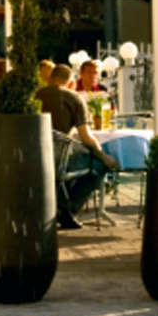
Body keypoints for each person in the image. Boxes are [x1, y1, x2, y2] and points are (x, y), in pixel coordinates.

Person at [35, 63, 118, 230]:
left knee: (64, 170)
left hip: (34, 154)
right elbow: (86, 137)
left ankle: (60, 207)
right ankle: (68, 210)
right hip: (59, 157)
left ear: (50, 78)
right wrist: (104, 156)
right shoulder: (74, 98)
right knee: (97, 166)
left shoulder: (35, 95)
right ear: (70, 80)